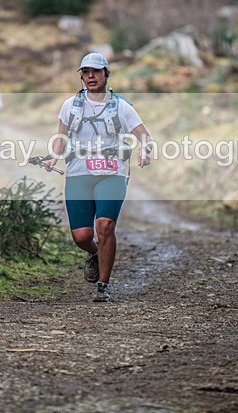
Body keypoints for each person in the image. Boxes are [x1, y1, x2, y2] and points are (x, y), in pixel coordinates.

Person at [44, 53, 154, 302]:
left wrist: (144, 151)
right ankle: (95, 253)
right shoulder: (70, 105)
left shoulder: (121, 106)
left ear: (106, 73)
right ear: (81, 76)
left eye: (95, 71)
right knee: (81, 236)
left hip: (111, 174)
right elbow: (60, 138)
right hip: (78, 174)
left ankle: (103, 286)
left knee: (105, 226)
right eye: (85, 72)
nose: (90, 76)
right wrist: (52, 156)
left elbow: (146, 137)